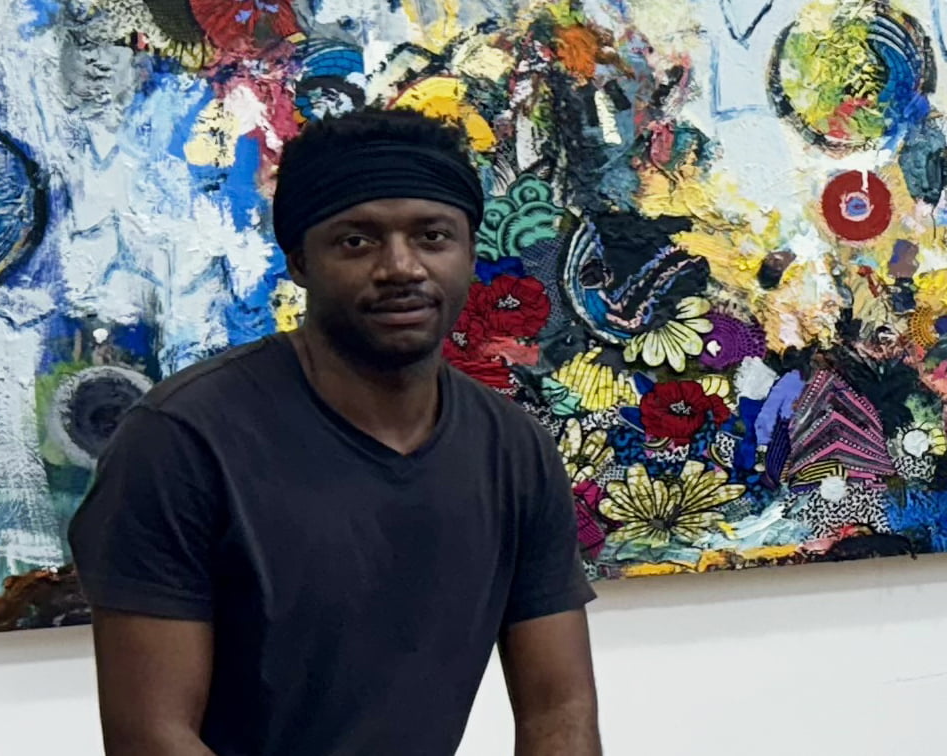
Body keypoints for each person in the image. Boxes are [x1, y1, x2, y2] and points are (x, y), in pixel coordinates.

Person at [68, 107, 600, 756]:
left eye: (433, 236)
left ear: (468, 250)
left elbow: (559, 710)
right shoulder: (180, 442)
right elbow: (150, 737)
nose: (402, 266)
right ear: (298, 261)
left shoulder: (513, 449)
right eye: (357, 241)